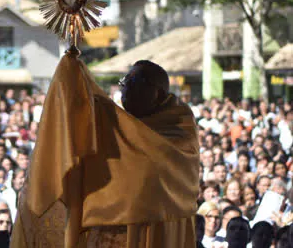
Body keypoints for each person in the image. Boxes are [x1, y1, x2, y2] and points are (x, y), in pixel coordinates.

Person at [11, 58, 199, 247]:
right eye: (124, 82)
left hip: (156, 233)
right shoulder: (118, 129)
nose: (125, 89)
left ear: (157, 92)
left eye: (133, 82)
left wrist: (94, 102)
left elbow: (147, 164)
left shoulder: (178, 127)